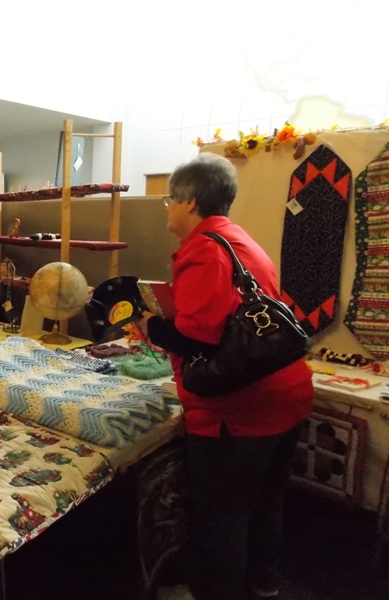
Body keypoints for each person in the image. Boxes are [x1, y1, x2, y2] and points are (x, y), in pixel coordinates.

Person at [138, 153, 313, 600]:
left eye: (169, 200)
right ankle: (264, 584)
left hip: (238, 410)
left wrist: (151, 326)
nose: (168, 209)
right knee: (266, 501)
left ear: (190, 201)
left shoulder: (203, 250)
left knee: (222, 517)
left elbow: (197, 337)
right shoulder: (240, 241)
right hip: (286, 392)